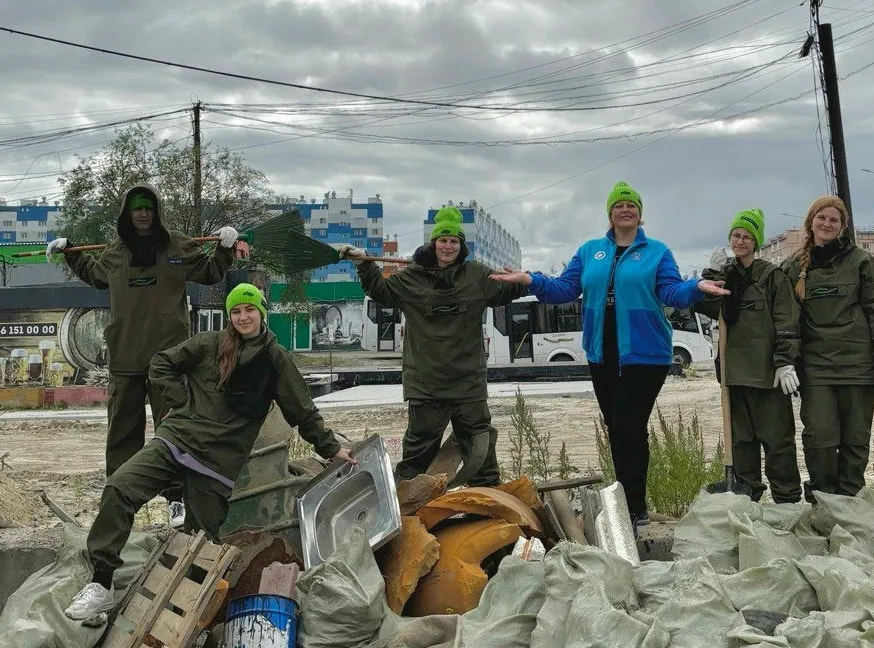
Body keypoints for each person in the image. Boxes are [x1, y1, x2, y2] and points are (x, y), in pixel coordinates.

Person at [64, 283, 355, 623]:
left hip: (216, 464)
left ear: (262, 312)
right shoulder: (210, 344)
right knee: (119, 487)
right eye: (236, 311)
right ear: (229, 316)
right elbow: (161, 364)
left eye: (249, 310)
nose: (243, 316)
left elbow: (302, 411)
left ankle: (179, 623)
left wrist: (331, 448)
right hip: (176, 442)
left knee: (197, 547)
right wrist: (179, 401)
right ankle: (101, 586)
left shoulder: (275, 360)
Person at [491, 181, 729, 525]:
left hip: (646, 354)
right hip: (602, 354)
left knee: (630, 426)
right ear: (610, 213)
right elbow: (565, 289)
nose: (625, 209)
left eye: (631, 205)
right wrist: (531, 279)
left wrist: (695, 287)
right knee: (617, 429)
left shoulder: (657, 252)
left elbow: (672, 291)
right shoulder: (590, 251)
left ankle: (636, 510)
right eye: (619, 205)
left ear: (640, 214)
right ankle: (625, 505)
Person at [47, 184, 239, 528]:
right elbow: (96, 276)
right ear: (127, 212)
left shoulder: (177, 245)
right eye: (137, 207)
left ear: (157, 210)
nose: (143, 213)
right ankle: (120, 500)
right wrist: (72, 253)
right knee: (122, 433)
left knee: (174, 429)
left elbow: (209, 272)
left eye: (149, 206)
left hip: (170, 360)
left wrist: (225, 248)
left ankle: (177, 498)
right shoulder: (116, 251)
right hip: (125, 359)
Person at [341, 206, 528, 487]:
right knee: (417, 458)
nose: (448, 246)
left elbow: (507, 290)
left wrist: (527, 280)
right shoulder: (411, 277)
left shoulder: (477, 275)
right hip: (426, 385)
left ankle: (489, 507)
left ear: (461, 245)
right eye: (443, 240)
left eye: (454, 241)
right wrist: (364, 265)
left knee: (481, 451)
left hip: (468, 384)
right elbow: (380, 291)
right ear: (434, 243)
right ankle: (408, 511)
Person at [780, 195, 874, 501]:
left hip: (857, 366)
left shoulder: (861, 262)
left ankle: (850, 499)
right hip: (816, 368)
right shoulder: (792, 267)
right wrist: (785, 359)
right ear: (811, 222)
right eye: (822, 218)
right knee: (819, 435)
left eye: (834, 219)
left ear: (843, 226)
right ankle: (824, 498)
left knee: (856, 438)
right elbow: (782, 315)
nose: (827, 224)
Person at [694, 209, 803, 503]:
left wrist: (785, 361)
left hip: (767, 375)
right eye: (736, 235)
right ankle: (747, 499)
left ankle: (787, 502)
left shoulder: (771, 276)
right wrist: (713, 275)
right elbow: (706, 307)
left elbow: (787, 321)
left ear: (756, 242)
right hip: (734, 375)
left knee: (778, 442)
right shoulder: (726, 276)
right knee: (741, 444)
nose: (740, 241)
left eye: (747, 237)